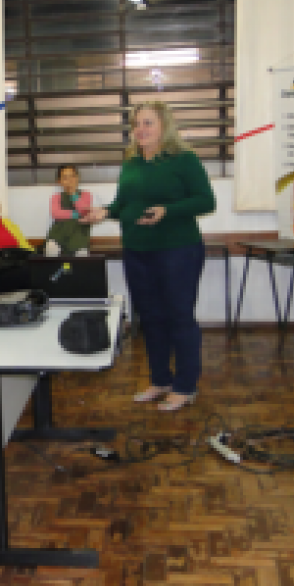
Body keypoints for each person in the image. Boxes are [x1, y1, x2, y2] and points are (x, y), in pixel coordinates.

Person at [81, 100, 216, 411]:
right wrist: (104, 212)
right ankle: (160, 380)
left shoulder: (184, 160)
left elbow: (206, 202)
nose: (140, 129)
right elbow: (123, 205)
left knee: (179, 318)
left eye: (148, 123)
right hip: (137, 251)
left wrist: (167, 211)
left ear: (164, 126)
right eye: (137, 124)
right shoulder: (131, 163)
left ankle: (185, 386)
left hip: (178, 251)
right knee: (151, 319)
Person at [46, 165, 94, 256]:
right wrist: (77, 214)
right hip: (59, 232)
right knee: (50, 249)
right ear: (59, 182)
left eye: (72, 176)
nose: (70, 180)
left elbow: (83, 211)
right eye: (65, 178)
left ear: (78, 178)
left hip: (79, 233)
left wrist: (73, 194)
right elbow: (56, 213)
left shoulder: (86, 195)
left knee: (82, 254)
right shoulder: (56, 197)